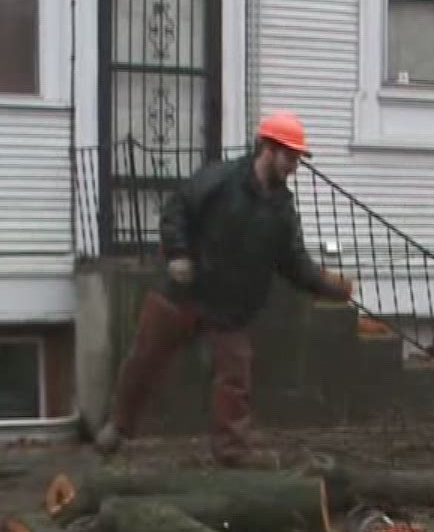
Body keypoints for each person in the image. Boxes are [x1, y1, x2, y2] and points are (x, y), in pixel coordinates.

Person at [94, 112, 353, 467]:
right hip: (184, 292)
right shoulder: (219, 179)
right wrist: (179, 252)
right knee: (144, 358)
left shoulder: (281, 211)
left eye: (297, 158)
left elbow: (294, 263)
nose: (294, 165)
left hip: (231, 308)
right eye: (290, 156)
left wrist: (329, 286)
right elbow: (177, 210)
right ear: (268, 148)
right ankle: (118, 428)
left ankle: (232, 453)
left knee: (235, 379)